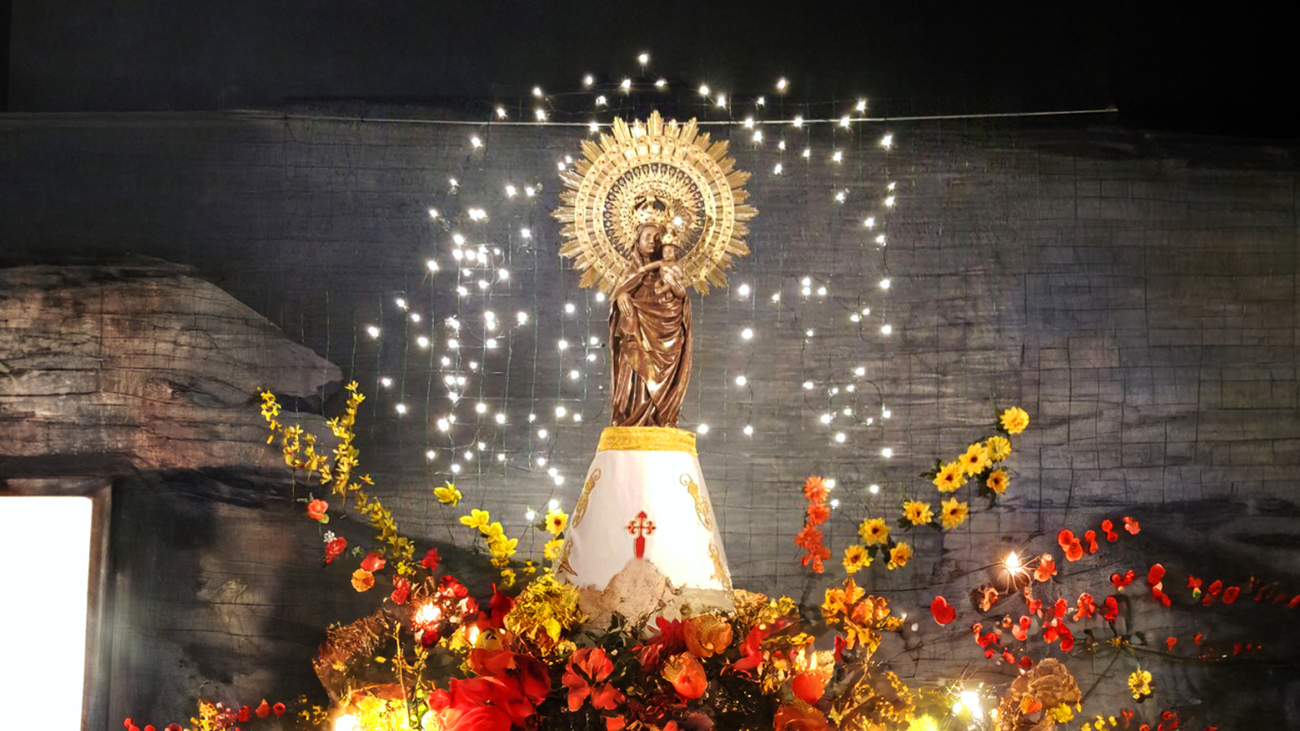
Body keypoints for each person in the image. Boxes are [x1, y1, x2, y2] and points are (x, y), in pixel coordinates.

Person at [608, 223, 692, 427]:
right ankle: (630, 417)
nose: (652, 242)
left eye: (657, 238)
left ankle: (663, 416)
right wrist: (620, 296)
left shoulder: (669, 270)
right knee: (633, 365)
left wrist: (680, 294)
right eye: (647, 236)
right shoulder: (630, 271)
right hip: (635, 332)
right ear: (636, 240)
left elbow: (681, 298)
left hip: (666, 333)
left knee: (663, 374)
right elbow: (620, 292)